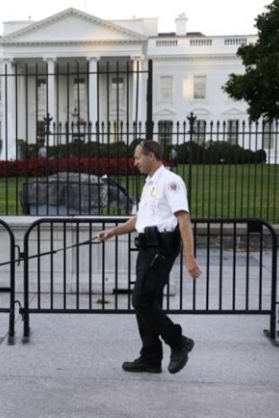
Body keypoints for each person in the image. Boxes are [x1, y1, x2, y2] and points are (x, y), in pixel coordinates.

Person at [97, 140, 201, 374]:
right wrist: (113, 231)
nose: (134, 162)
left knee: (141, 300)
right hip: (147, 248)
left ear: (151, 156)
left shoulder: (171, 182)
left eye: (137, 157)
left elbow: (183, 219)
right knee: (147, 303)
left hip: (161, 249)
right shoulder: (149, 184)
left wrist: (189, 256)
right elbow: (141, 219)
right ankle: (151, 357)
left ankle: (178, 341)